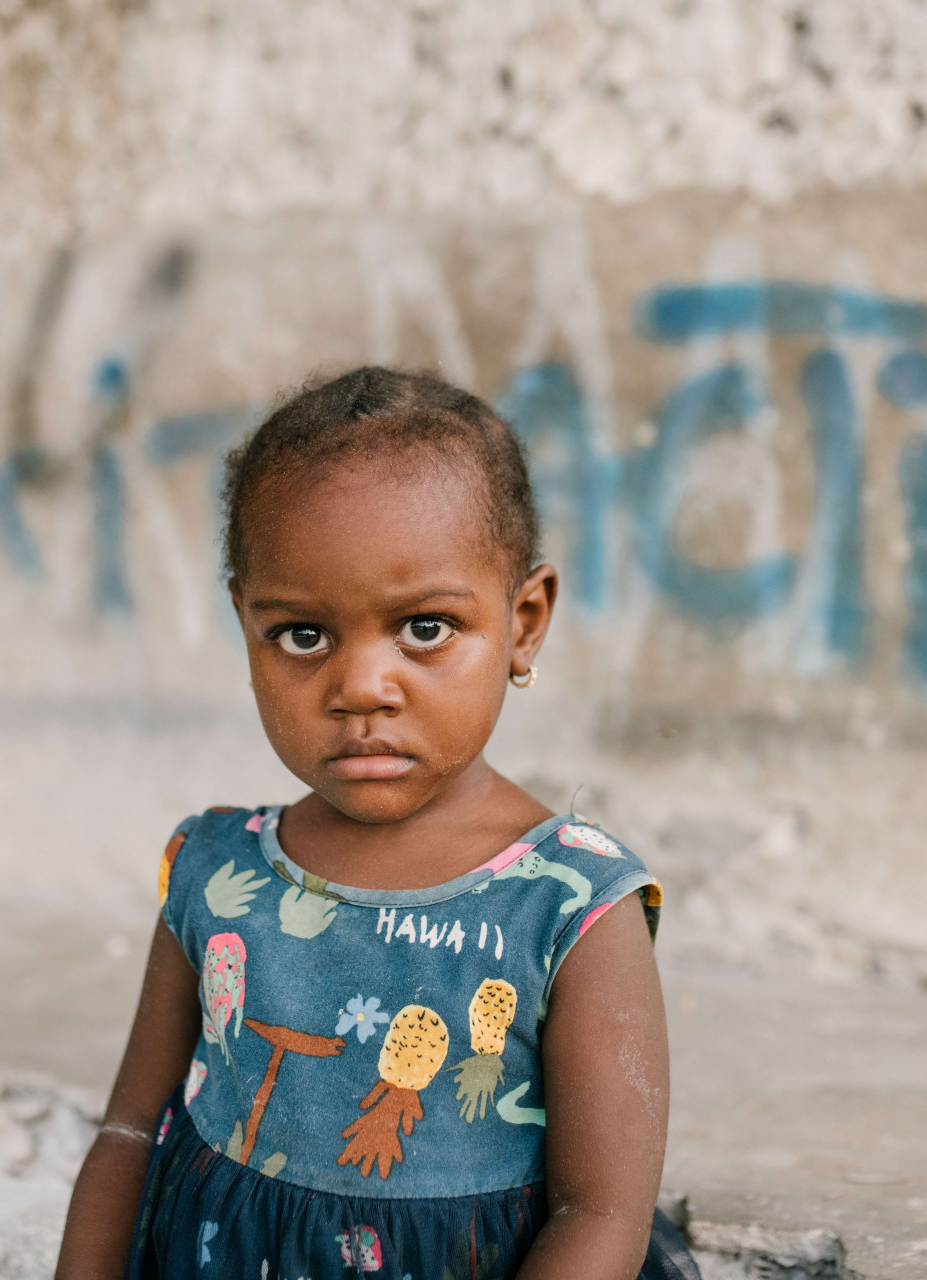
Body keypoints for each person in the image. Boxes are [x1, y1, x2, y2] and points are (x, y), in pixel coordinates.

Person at [56, 367, 697, 1280]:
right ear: (247, 627)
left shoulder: (573, 906)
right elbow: (129, 1131)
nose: (361, 685)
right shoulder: (213, 872)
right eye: (303, 635)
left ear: (524, 623)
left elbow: (599, 1214)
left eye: (426, 628)